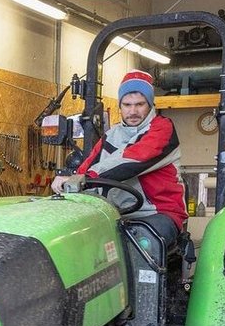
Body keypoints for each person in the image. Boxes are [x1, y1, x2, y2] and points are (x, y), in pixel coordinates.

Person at [51, 69, 186, 243]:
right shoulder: (112, 134)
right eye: (127, 105)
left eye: (140, 104)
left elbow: (133, 159)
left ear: (150, 105)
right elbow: (89, 164)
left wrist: (85, 177)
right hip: (117, 213)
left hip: (157, 213)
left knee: (141, 246)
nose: (133, 111)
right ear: (120, 106)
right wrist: (70, 180)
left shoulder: (162, 129)